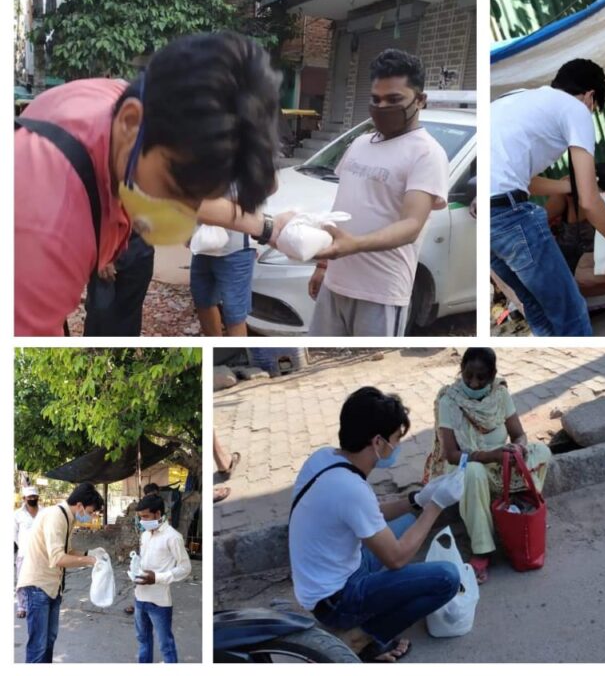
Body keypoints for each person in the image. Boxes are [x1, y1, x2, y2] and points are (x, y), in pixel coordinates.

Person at [14, 31, 293, 336]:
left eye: (196, 198)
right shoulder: (49, 232)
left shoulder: (123, 103)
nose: (186, 216)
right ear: (131, 122)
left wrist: (270, 228)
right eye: (176, 190)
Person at [288, 386, 463, 662]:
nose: (398, 447)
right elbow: (396, 559)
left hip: (326, 577)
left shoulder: (324, 458)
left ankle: (369, 614)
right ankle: (366, 638)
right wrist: (436, 506)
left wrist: (417, 500)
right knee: (447, 579)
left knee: (406, 520)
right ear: (378, 442)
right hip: (335, 600)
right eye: (396, 439)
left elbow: (368, 514)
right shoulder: (351, 488)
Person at [307, 49, 449, 336]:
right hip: (335, 283)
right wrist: (323, 264)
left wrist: (354, 245)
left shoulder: (427, 153)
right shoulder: (360, 143)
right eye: (376, 99)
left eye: (394, 100)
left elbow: (411, 225)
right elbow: (343, 205)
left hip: (381, 292)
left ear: (420, 100)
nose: (382, 107)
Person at [490, 59, 605, 336]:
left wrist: (568, 187)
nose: (590, 112)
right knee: (571, 312)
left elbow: (520, 181)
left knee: (536, 307)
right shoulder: (575, 109)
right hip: (510, 218)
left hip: (483, 217)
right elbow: (590, 201)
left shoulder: (516, 99)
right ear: (590, 96)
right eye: (594, 106)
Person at [425, 348, 551, 584]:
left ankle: (519, 518)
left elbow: (518, 434)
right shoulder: (449, 401)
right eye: (468, 376)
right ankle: (482, 549)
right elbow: (452, 455)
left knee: (542, 451)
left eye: (481, 378)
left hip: (498, 462)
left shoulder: (500, 394)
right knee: (472, 473)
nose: (473, 383)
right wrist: (490, 455)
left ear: (492, 376)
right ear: (460, 371)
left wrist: (518, 448)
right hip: (467, 465)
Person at [17, 482, 102, 663]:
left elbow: (67, 552)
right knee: (38, 646)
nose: (91, 516)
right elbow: (58, 558)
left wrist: (90, 554)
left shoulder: (68, 517)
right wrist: (91, 561)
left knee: (49, 641)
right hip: (37, 587)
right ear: (79, 505)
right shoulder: (56, 516)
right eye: (90, 512)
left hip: (53, 587)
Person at [133, 493, 192, 664]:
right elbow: (144, 563)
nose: (142, 521)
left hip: (159, 602)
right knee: (143, 641)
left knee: (166, 645)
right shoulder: (145, 535)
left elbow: (185, 568)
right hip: (140, 597)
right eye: (140, 517)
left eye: (145, 516)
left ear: (158, 514)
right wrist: (135, 570)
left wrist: (157, 578)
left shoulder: (173, 537)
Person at [82, 232, 155, 337]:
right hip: (107, 244)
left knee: (129, 318)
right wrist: (103, 252)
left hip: (141, 246)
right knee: (100, 315)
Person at [14, 486, 41, 619]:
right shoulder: (17, 514)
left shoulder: (44, 513)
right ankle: (21, 606)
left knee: (38, 581)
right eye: (29, 497)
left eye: (34, 496)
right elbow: (14, 534)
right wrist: (24, 546)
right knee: (22, 581)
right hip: (24, 553)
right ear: (24, 499)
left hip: (41, 554)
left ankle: (35, 605)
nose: (32, 499)